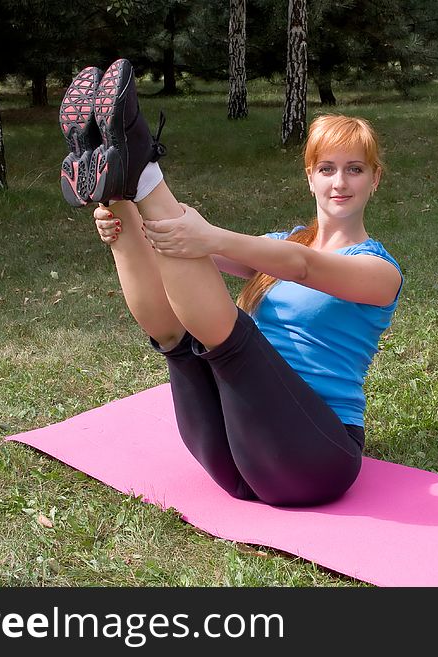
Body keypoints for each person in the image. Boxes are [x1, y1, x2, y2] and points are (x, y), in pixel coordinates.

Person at [60, 59, 403, 507]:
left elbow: (303, 267)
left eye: (355, 169)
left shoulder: (379, 271)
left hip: (316, 457)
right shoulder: (280, 243)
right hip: (238, 454)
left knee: (232, 339)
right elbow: (184, 245)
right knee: (175, 336)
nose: (340, 181)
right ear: (310, 178)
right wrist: (121, 226)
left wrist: (207, 235)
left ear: (375, 179)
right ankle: (122, 182)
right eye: (327, 169)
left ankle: (139, 167)